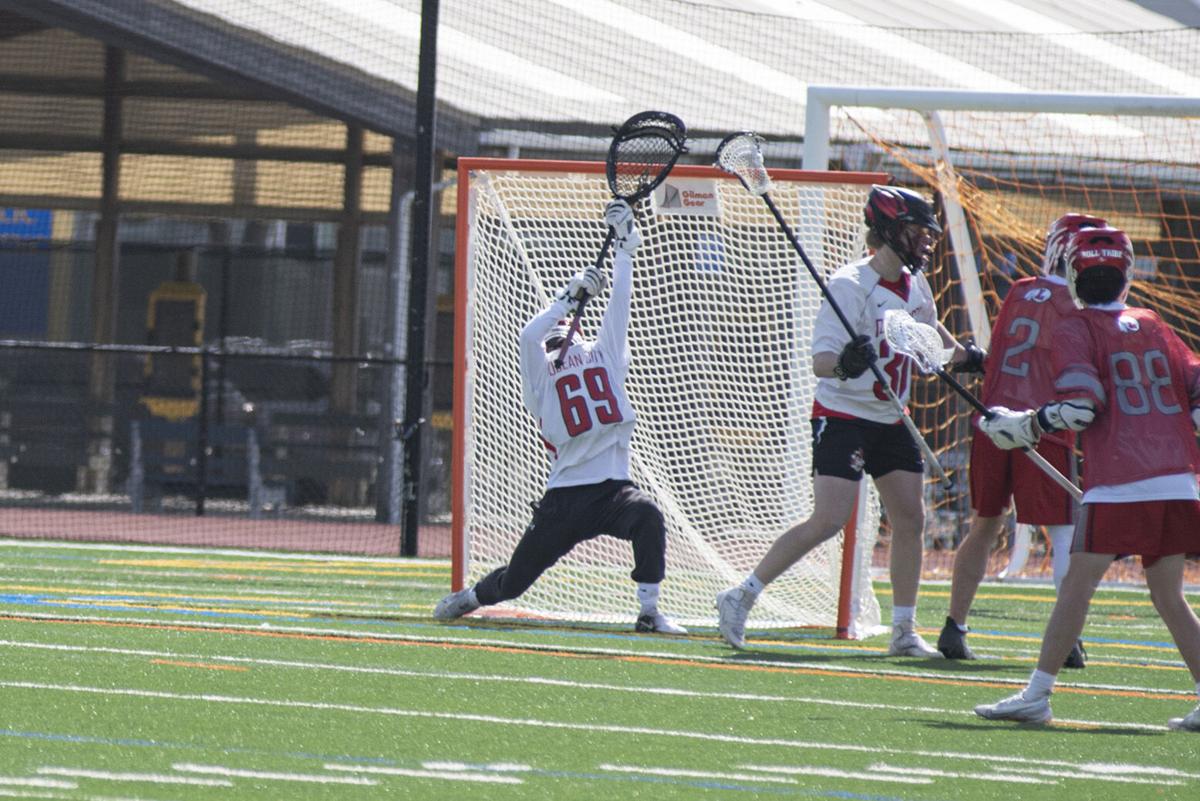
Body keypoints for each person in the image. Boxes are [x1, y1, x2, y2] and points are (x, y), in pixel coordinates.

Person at [716, 184, 977, 654]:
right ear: (889, 230)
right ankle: (741, 596)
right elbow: (820, 361)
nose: (924, 242)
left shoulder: (915, 286)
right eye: (917, 232)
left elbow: (930, 340)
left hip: (890, 416)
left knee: (911, 519)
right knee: (830, 518)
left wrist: (969, 358)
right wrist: (847, 363)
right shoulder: (850, 285)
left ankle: (902, 630)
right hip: (843, 414)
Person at [973, 226, 1200, 730]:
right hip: (1178, 481)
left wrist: (1023, 425)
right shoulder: (1154, 322)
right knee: (1168, 597)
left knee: (1077, 587)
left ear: (1075, 274)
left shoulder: (1076, 327)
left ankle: (1037, 694)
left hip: (1121, 481)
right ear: (1126, 275)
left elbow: (1079, 409)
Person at [434, 199, 686, 635]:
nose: (556, 342)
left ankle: (648, 612)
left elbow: (619, 308)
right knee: (514, 583)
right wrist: (565, 300)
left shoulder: (603, 353)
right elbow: (529, 334)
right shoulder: (541, 380)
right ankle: (471, 598)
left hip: (613, 489)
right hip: (565, 498)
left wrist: (626, 248)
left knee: (648, 516)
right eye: (554, 338)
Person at [937, 214, 1106, 667]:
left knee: (985, 523)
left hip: (991, 422)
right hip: (1041, 426)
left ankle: (954, 625)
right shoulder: (1079, 306)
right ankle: (1068, 638)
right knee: (1064, 531)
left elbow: (1002, 354)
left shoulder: (1018, 290)